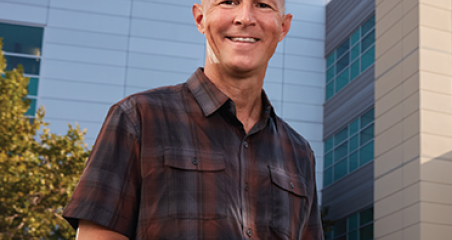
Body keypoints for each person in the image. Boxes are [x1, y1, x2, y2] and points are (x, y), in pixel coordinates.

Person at [62, 0, 324, 239]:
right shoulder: (138, 118)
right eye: (229, 2)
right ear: (200, 19)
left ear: (283, 27)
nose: (245, 18)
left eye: (263, 5)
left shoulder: (299, 152)